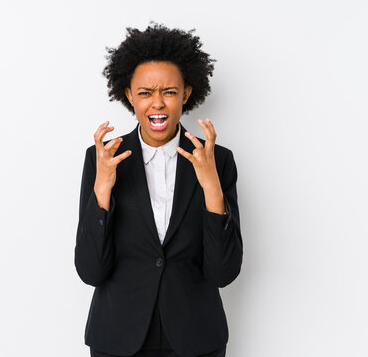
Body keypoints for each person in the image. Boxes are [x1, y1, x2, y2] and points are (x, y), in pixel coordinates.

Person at [74, 22, 243, 357]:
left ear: (186, 93)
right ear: (128, 96)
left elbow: (223, 272)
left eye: (169, 92)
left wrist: (210, 184)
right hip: (118, 337)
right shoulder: (102, 158)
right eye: (145, 93)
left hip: (196, 337)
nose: (157, 104)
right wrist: (103, 190)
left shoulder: (217, 160)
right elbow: (91, 270)